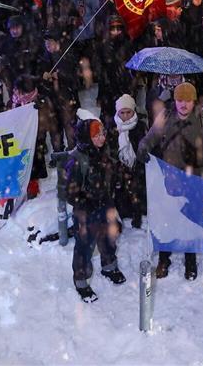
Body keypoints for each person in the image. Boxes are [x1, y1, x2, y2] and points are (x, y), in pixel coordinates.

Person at [137, 82, 203, 280]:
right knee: (167, 220)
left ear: (194, 101)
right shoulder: (166, 117)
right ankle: (164, 258)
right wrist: (143, 147)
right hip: (171, 181)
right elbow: (150, 138)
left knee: (190, 220)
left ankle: (190, 259)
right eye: (179, 100)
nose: (183, 105)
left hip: (196, 181)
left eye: (187, 101)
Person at [59, 115, 125, 302]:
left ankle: (109, 266)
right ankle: (81, 281)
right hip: (85, 211)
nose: (101, 138)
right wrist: (85, 202)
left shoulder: (103, 152)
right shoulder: (76, 160)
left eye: (102, 134)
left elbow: (110, 173)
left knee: (109, 236)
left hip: (105, 203)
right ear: (87, 137)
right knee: (85, 246)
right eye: (96, 136)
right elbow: (69, 191)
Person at [111, 94, 149, 228]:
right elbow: (110, 150)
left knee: (137, 186)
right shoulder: (112, 127)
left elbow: (145, 148)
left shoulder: (140, 126)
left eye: (129, 112)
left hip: (138, 168)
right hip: (120, 170)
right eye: (122, 113)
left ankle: (138, 213)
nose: (126, 116)